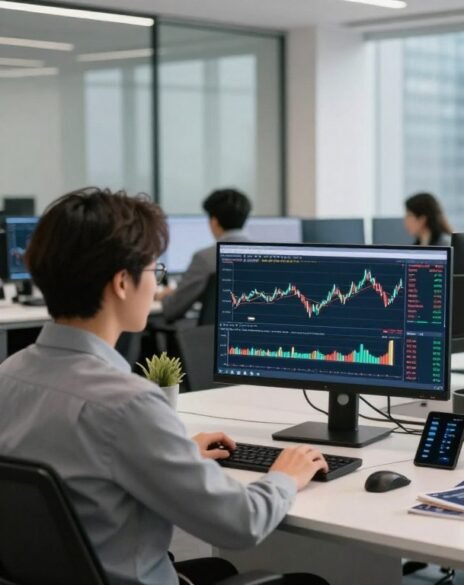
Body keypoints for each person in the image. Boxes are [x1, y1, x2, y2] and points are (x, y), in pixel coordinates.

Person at [0, 188, 329, 585]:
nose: (155, 285)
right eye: (153, 271)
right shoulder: (128, 404)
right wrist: (285, 476)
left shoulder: (9, 375)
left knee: (219, 569)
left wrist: (172, 453)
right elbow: (241, 524)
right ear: (123, 282)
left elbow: (80, 462)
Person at [157, 188, 251, 322]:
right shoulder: (263, 255)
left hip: (210, 334)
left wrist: (165, 296)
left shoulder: (204, 258)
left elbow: (172, 309)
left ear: (214, 221)